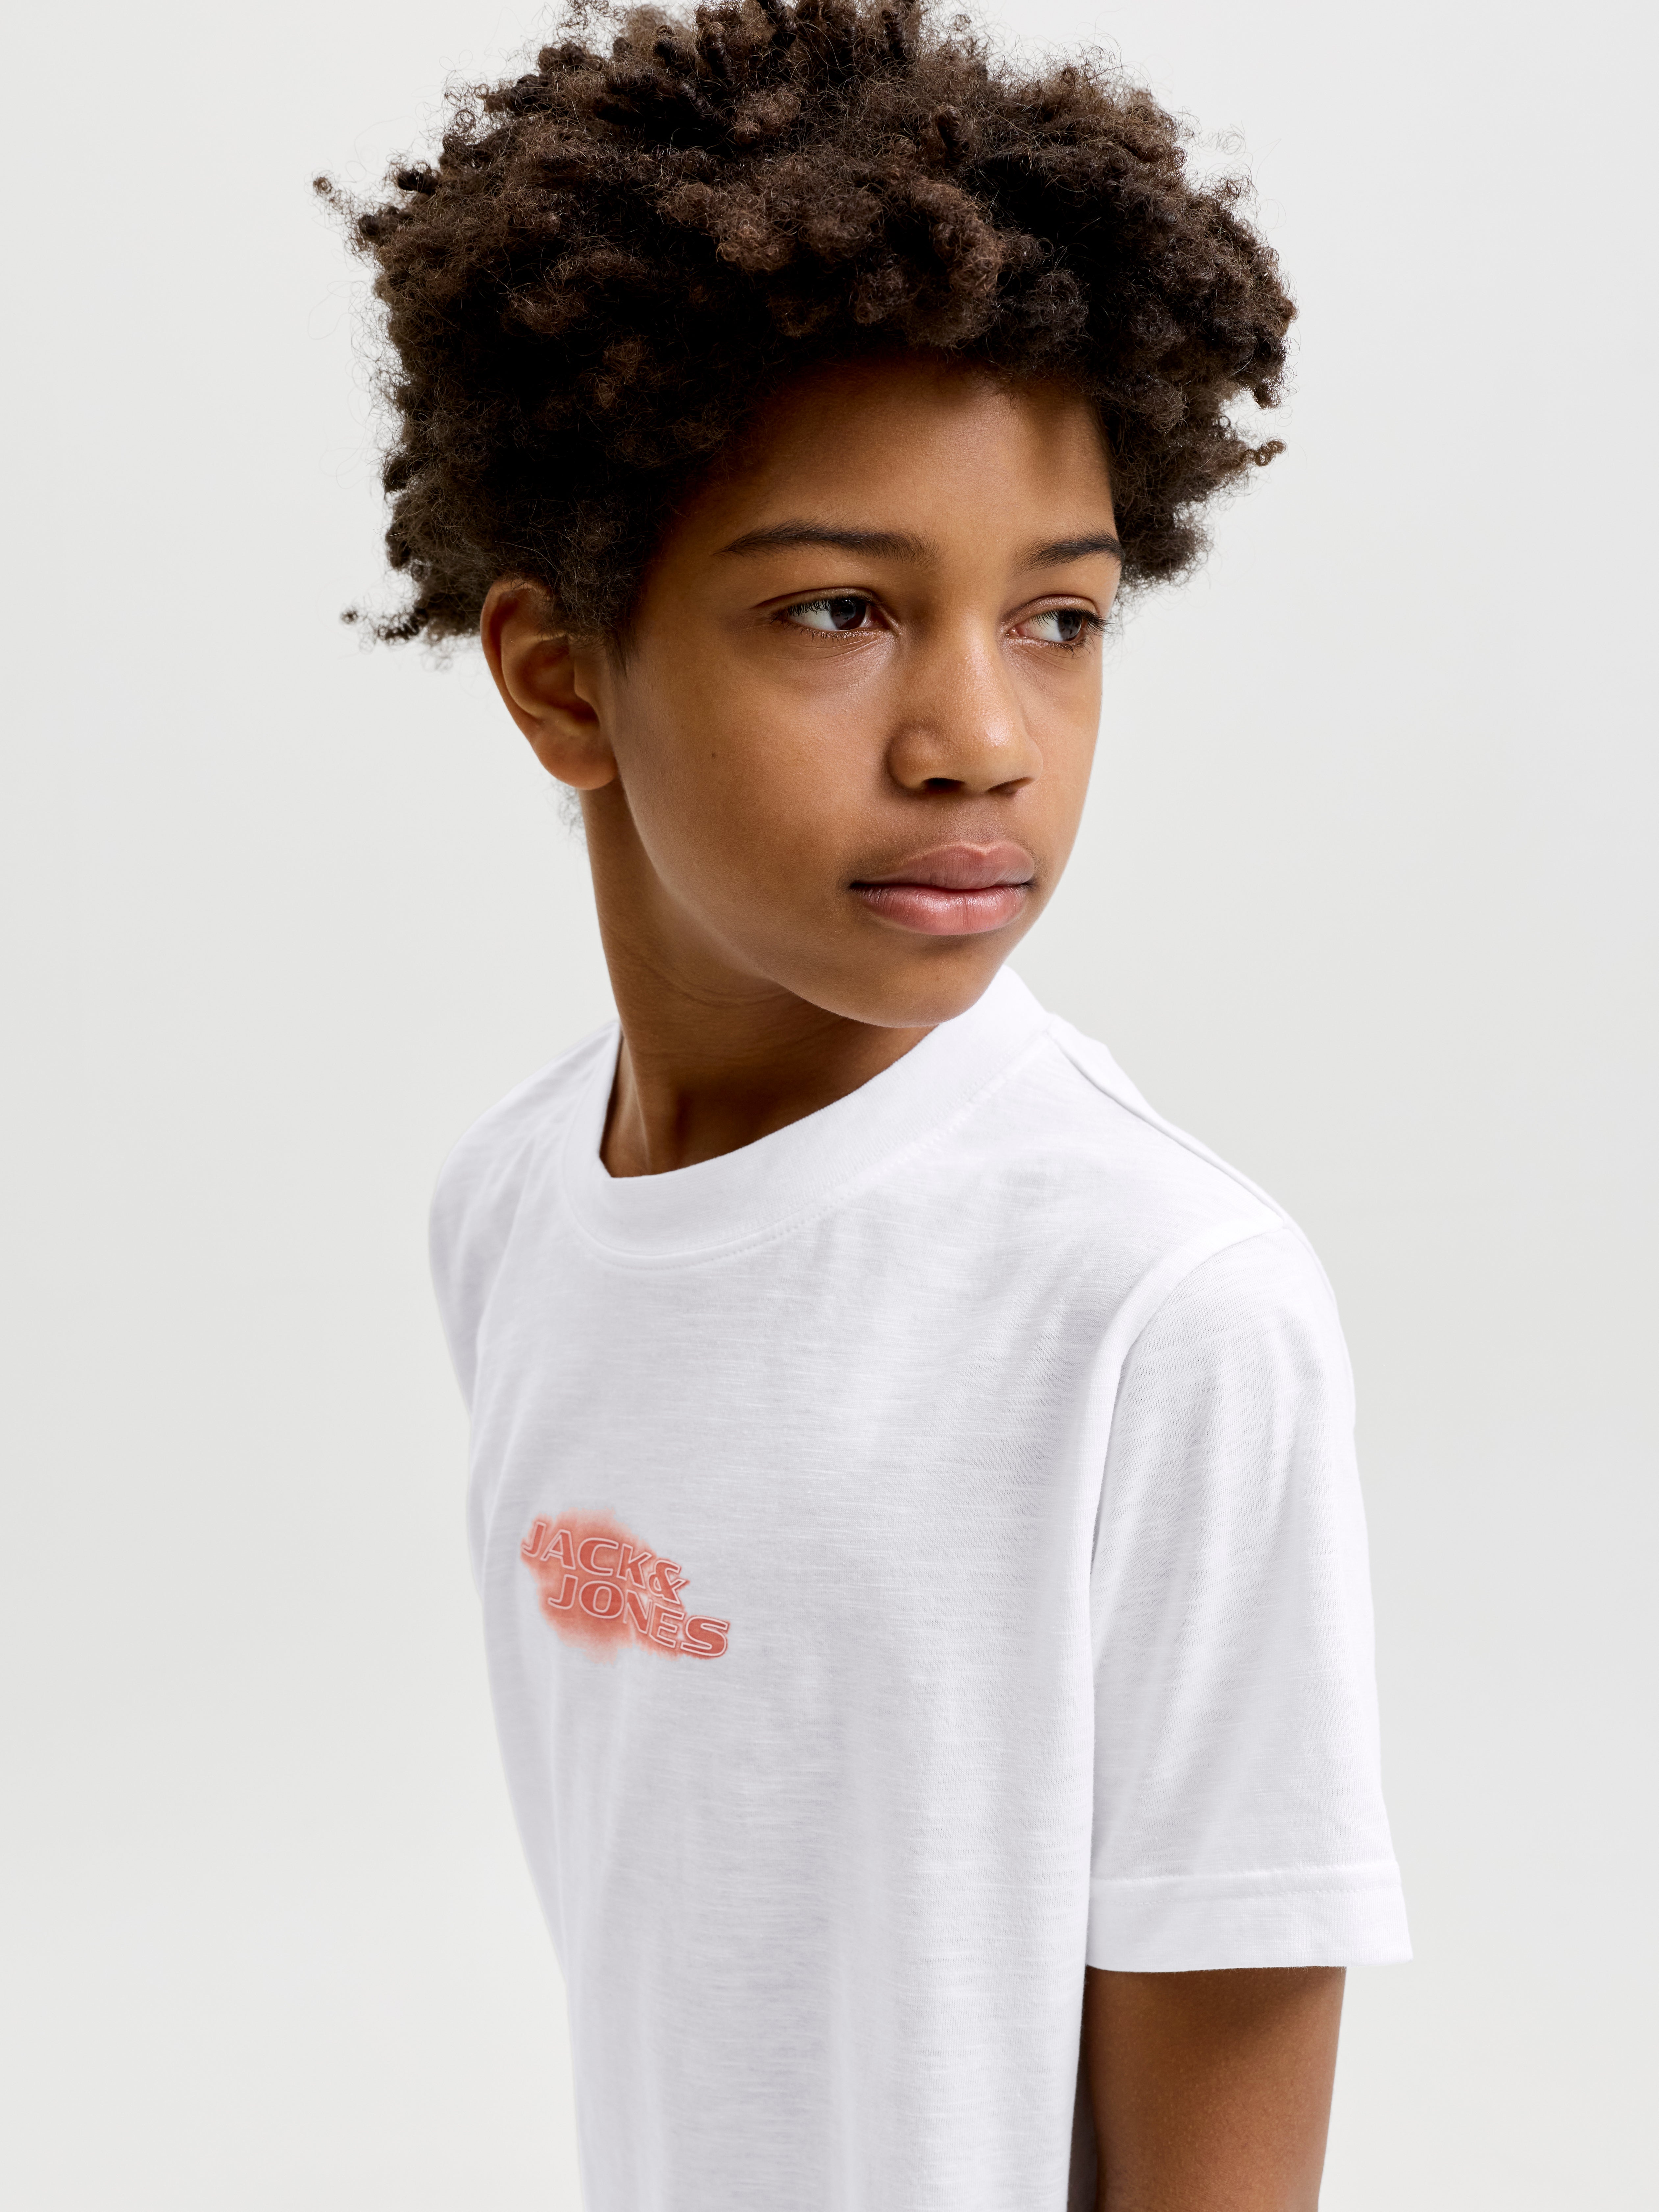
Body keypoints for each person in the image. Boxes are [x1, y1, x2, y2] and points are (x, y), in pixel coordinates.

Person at [324, 3, 1409, 2203]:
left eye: (1060, 621)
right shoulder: (515, 1210)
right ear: (559, 677)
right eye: (839, 610)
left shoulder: (1159, 1302)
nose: (979, 740)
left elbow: (1221, 2088)